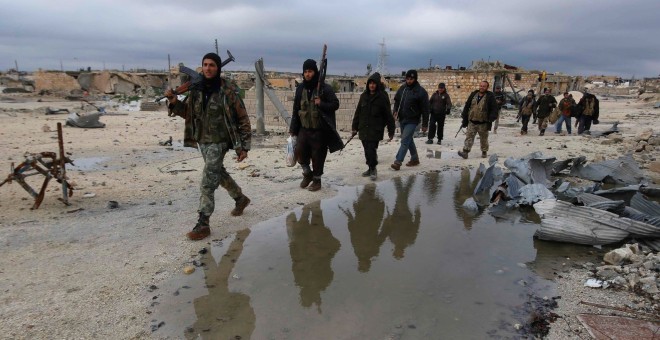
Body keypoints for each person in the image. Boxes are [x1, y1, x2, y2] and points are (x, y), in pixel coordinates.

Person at [166, 52, 252, 241]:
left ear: (218, 68)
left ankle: (203, 223)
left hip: (220, 141)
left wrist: (244, 146)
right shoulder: (196, 89)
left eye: (212, 65)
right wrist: (174, 103)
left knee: (207, 181)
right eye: (205, 64)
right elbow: (188, 113)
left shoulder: (228, 90)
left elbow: (242, 117)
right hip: (202, 140)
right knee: (217, 173)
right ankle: (240, 198)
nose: (207, 68)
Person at [289, 59, 342, 191]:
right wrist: (293, 129)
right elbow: (296, 109)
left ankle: (317, 181)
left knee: (318, 156)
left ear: (315, 72)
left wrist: (321, 103)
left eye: (310, 71)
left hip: (319, 130)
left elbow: (335, 104)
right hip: (304, 129)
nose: (307, 74)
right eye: (305, 72)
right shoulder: (300, 88)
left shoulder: (324, 88)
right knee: (300, 152)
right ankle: (307, 174)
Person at [351, 72, 395, 180]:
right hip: (363, 128)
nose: (372, 85)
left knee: (371, 149)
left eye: (374, 83)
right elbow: (358, 112)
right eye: (370, 83)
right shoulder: (363, 96)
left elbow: (388, 115)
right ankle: (370, 168)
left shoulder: (382, 96)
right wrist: (354, 127)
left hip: (375, 129)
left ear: (377, 84)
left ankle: (373, 168)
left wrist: (391, 131)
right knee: (367, 150)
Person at [391, 69, 429, 170]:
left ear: (415, 79)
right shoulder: (402, 89)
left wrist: (425, 124)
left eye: (411, 79)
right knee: (408, 139)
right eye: (407, 78)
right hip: (402, 118)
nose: (409, 81)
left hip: (413, 120)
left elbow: (426, 109)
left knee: (404, 140)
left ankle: (398, 162)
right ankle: (415, 158)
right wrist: (395, 110)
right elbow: (397, 101)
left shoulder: (421, 92)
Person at [458, 81, 498, 159]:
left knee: (483, 139)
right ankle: (465, 152)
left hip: (483, 123)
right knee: (469, 137)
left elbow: (494, 109)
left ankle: (484, 151)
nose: (482, 87)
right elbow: (467, 105)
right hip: (472, 121)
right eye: (481, 86)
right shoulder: (473, 95)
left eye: (484, 86)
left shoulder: (490, 96)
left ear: (487, 87)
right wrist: (464, 117)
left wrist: (491, 118)